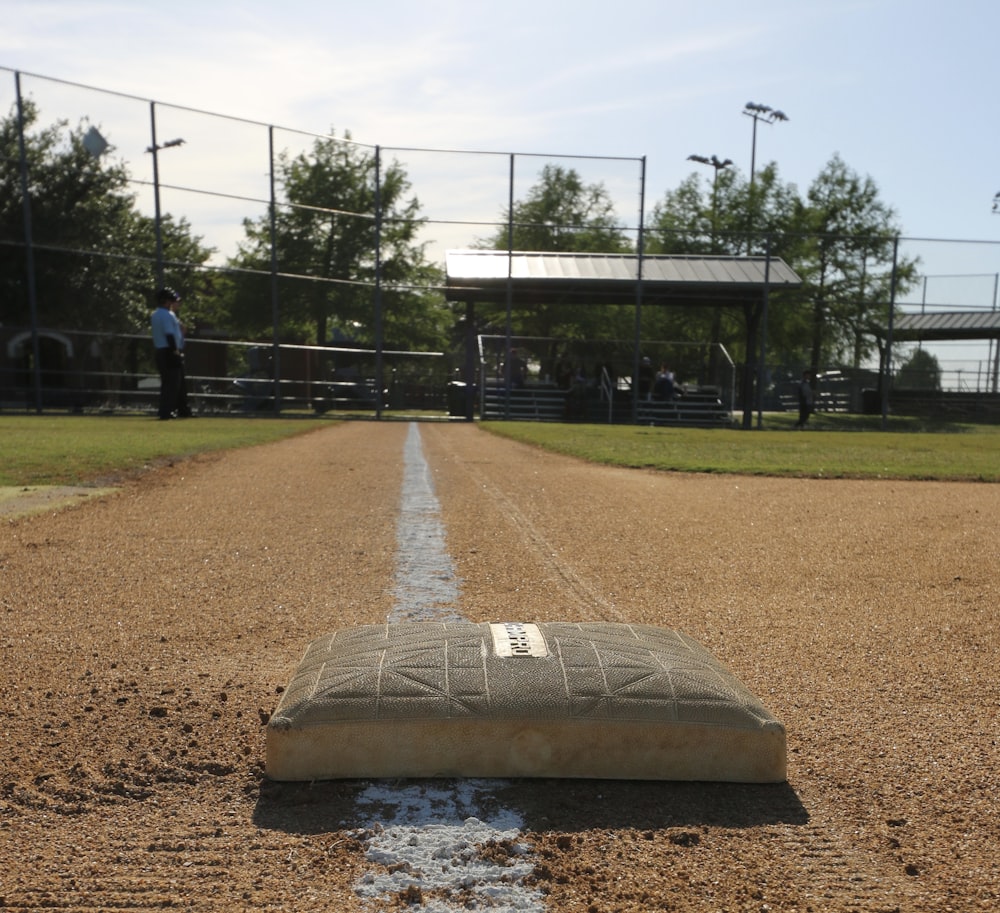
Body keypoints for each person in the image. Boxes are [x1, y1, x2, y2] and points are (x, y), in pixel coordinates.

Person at [150, 287, 186, 420]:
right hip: (168, 350)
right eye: (170, 300)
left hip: (160, 350)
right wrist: (175, 351)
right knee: (173, 383)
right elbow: (169, 334)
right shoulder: (167, 314)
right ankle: (167, 411)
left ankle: (166, 410)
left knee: (167, 382)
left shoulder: (155, 314)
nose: (172, 302)